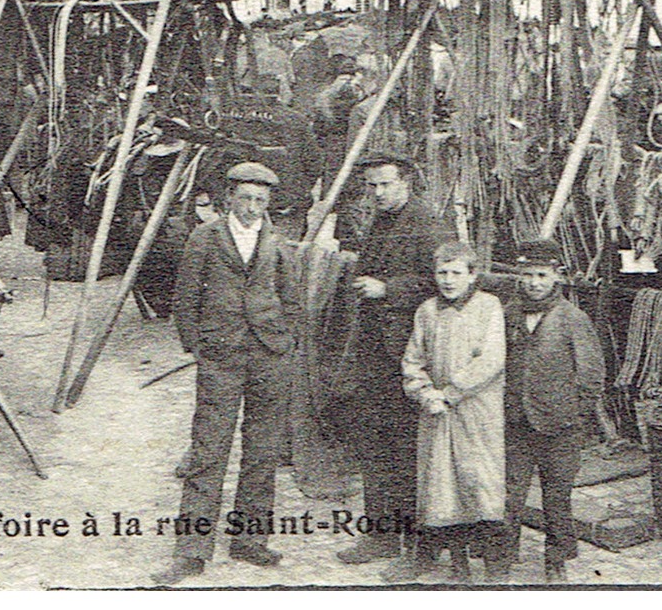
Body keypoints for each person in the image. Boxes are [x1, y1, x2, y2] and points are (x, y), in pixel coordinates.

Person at [152, 163, 300, 586]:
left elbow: (292, 299)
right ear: (229, 198)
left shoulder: (276, 241)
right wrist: (199, 347)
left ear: (269, 202)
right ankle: (192, 552)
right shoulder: (206, 237)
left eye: (261, 200)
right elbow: (184, 299)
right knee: (208, 452)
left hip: (269, 357)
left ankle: (249, 540)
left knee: (262, 451)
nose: (253, 208)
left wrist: (285, 342)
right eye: (245, 199)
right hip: (222, 358)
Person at [331, 153, 451, 566]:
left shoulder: (427, 223)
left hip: (409, 356)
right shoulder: (381, 222)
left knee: (408, 451)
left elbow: (446, 283)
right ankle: (381, 537)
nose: (377, 193)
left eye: (385, 185)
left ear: (406, 183)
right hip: (374, 355)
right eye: (371, 186)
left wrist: (389, 289)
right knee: (375, 445)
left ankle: (420, 548)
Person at [389, 241, 506, 584]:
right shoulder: (427, 311)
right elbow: (412, 361)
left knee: (481, 482)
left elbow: (491, 360)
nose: (448, 280)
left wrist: (452, 392)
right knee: (442, 485)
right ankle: (456, 563)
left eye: (456, 272)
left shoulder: (489, 307)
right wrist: (426, 394)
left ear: (472, 276)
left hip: (477, 411)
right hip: (437, 412)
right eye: (442, 272)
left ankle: (495, 565)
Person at [500, 239, 605, 582]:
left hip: (560, 427)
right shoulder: (508, 314)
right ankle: (503, 554)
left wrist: (572, 416)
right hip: (516, 422)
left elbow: (592, 376)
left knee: (556, 496)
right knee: (510, 492)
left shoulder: (572, 318)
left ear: (556, 276)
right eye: (527, 274)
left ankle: (555, 559)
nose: (534, 282)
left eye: (542, 275)